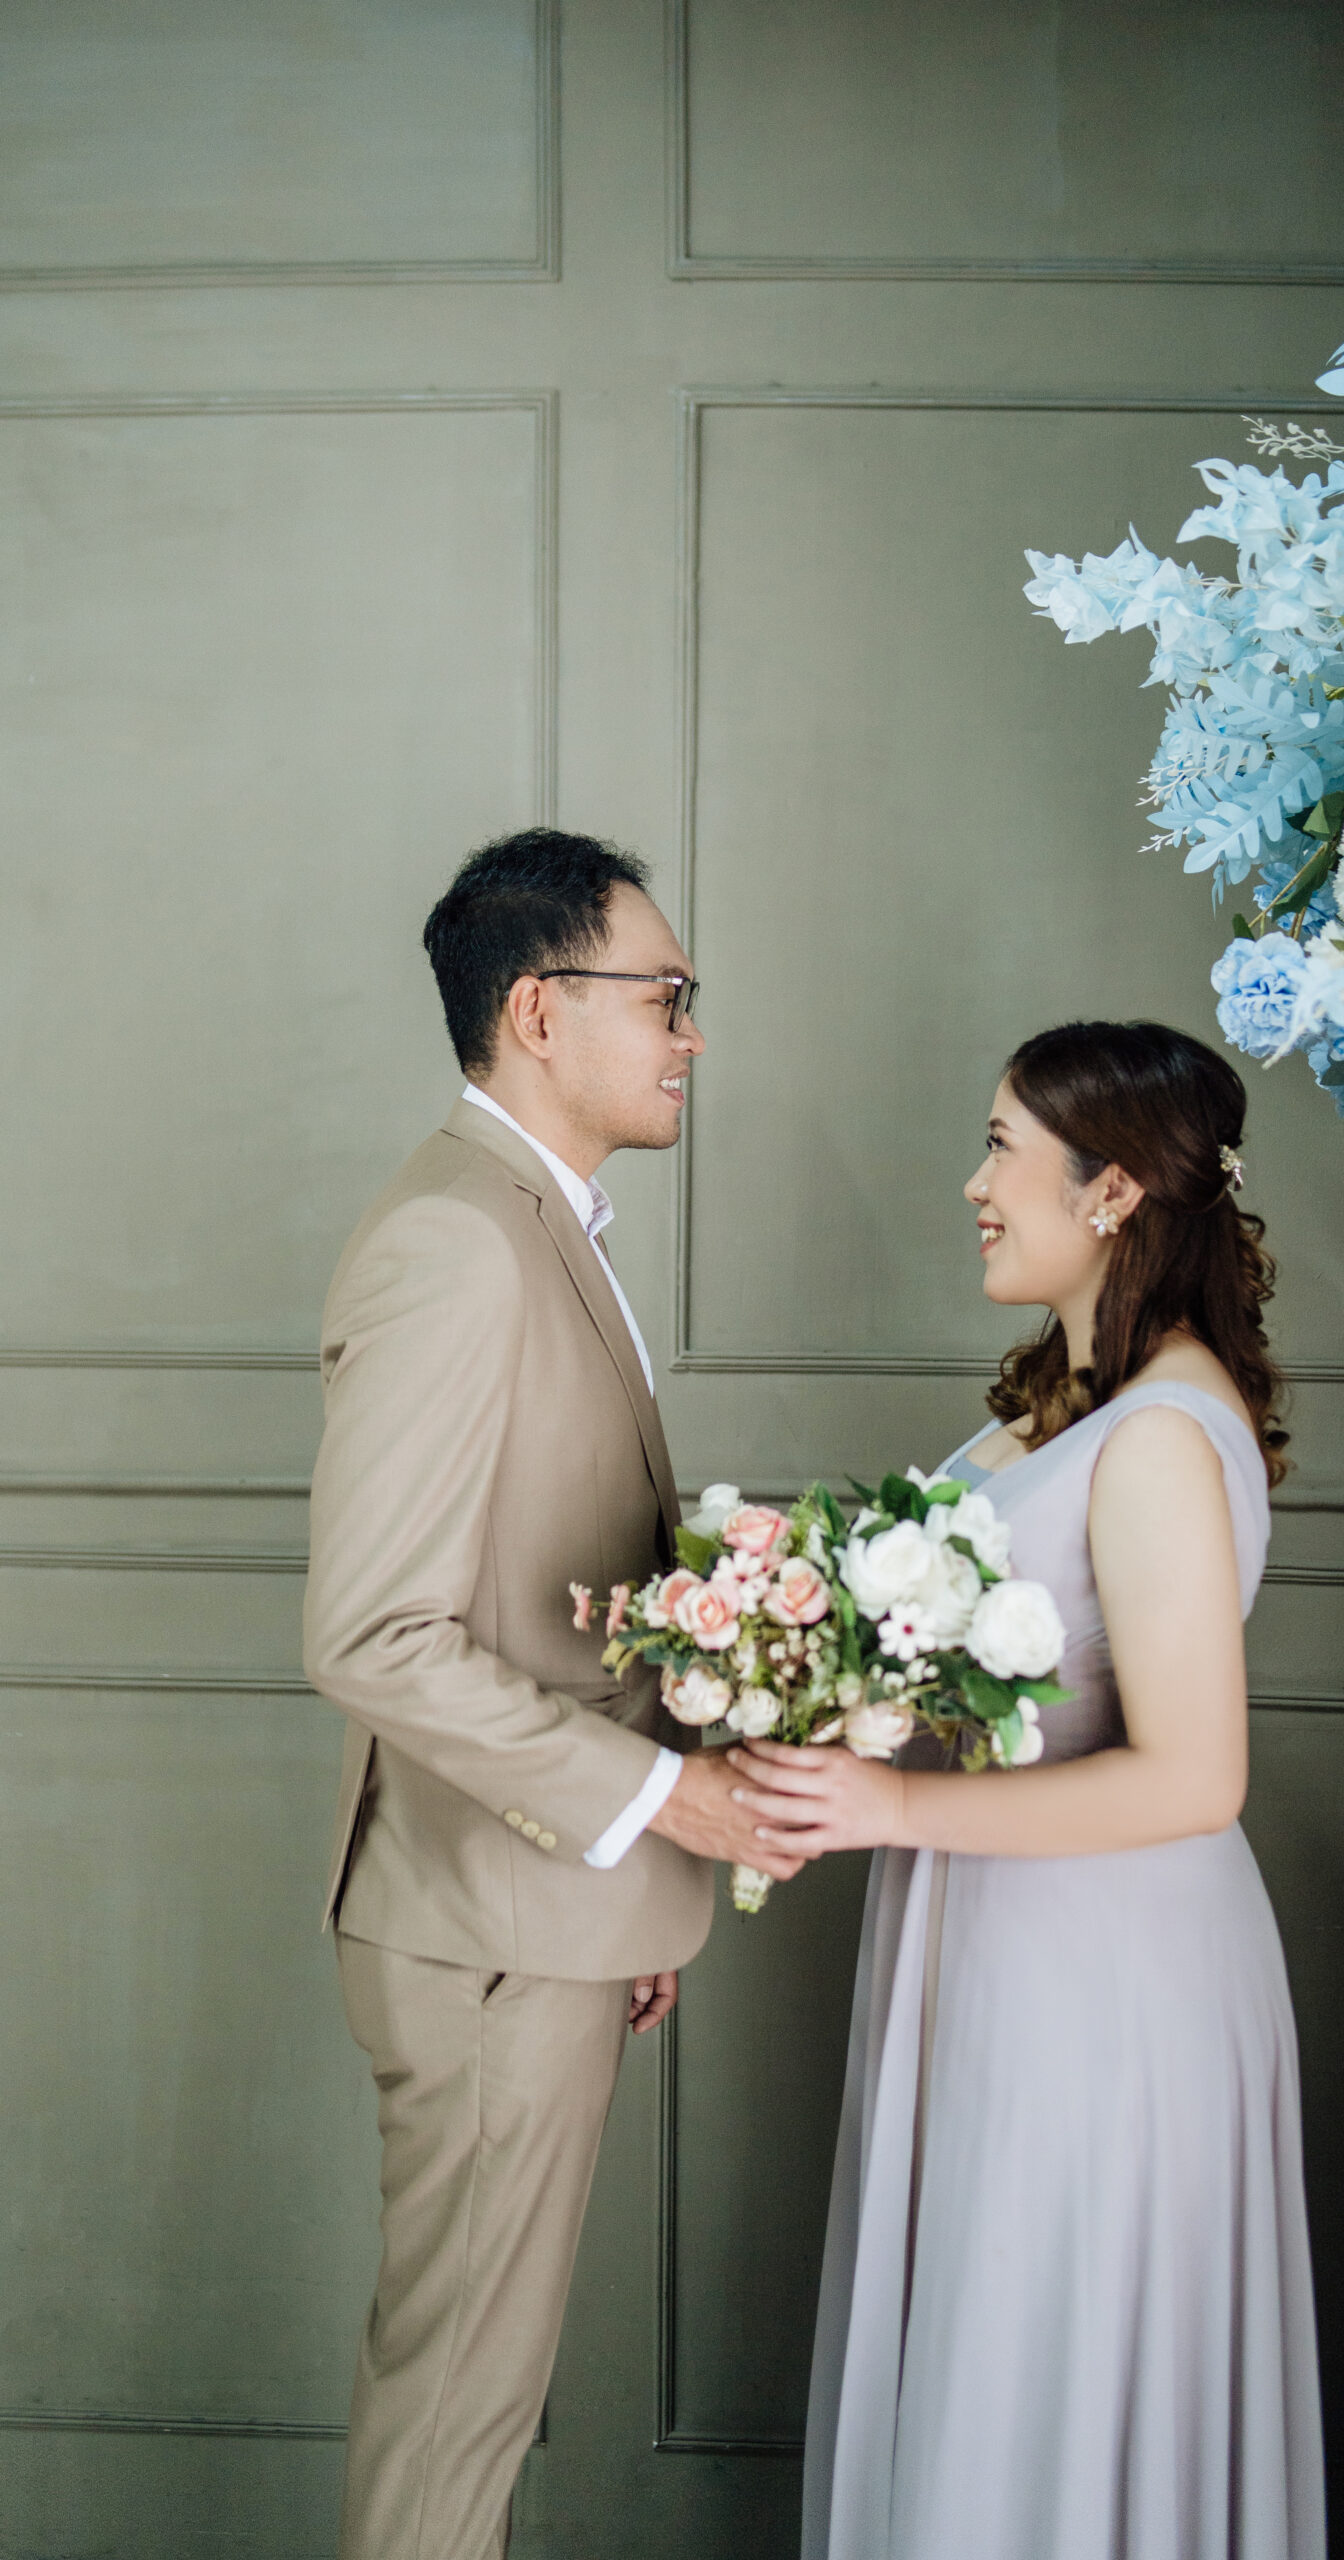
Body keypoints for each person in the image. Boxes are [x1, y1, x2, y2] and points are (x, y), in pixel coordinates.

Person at [731, 1019, 1328, 2560]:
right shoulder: (1071, 1403)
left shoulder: (1161, 1437)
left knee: (1045, 2365)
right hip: (1006, 1951)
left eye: (1002, 1147)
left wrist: (890, 1811)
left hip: (1104, 1980)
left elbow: (1196, 1774)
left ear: (1113, 1191)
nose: (975, 1184)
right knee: (987, 2364)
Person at [303, 828, 801, 2560]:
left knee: (476, 2408)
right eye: (665, 994)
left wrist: (626, 1881)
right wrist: (663, 1804)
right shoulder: (459, 1241)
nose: (690, 1031)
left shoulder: (532, 1221)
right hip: (487, 1933)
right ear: (537, 1009)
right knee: (457, 2419)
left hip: (542, 1914)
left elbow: (540, 1600)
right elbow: (373, 1635)